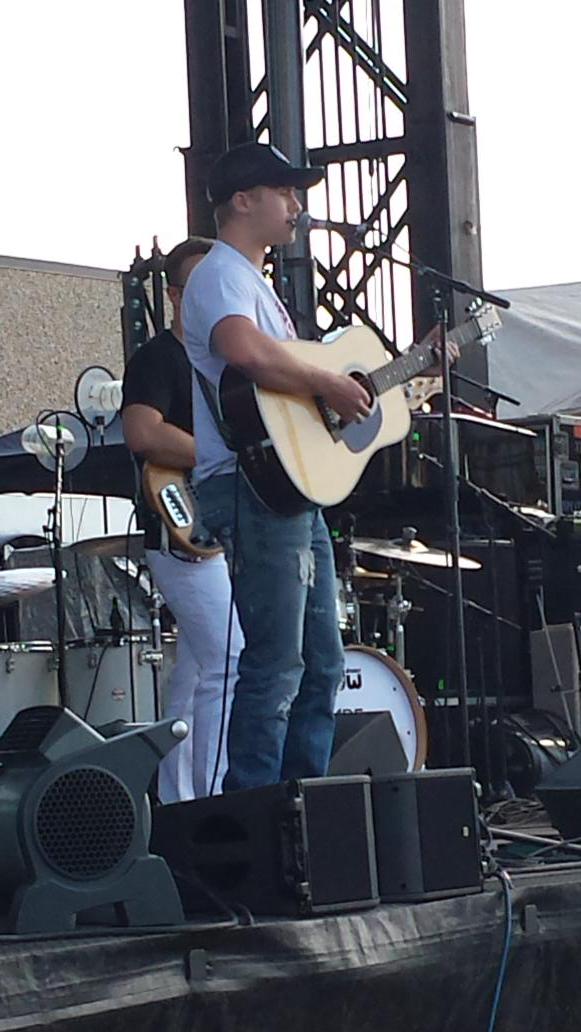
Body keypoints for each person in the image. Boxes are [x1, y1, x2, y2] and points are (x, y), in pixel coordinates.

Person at [181, 142, 377, 794]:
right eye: (285, 192)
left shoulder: (253, 282)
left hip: (284, 489)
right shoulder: (221, 275)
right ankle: (258, 815)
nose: (297, 206)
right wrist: (327, 379)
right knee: (277, 660)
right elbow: (247, 355)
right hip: (248, 487)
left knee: (321, 662)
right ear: (243, 199)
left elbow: (287, 393)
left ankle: (305, 810)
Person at [121, 236, 244, 803]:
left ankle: (176, 802)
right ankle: (218, 798)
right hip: (179, 530)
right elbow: (143, 434)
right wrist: (215, 453)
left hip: (221, 527)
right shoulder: (158, 358)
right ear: (172, 294)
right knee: (231, 657)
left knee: (195, 675)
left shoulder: (222, 360)